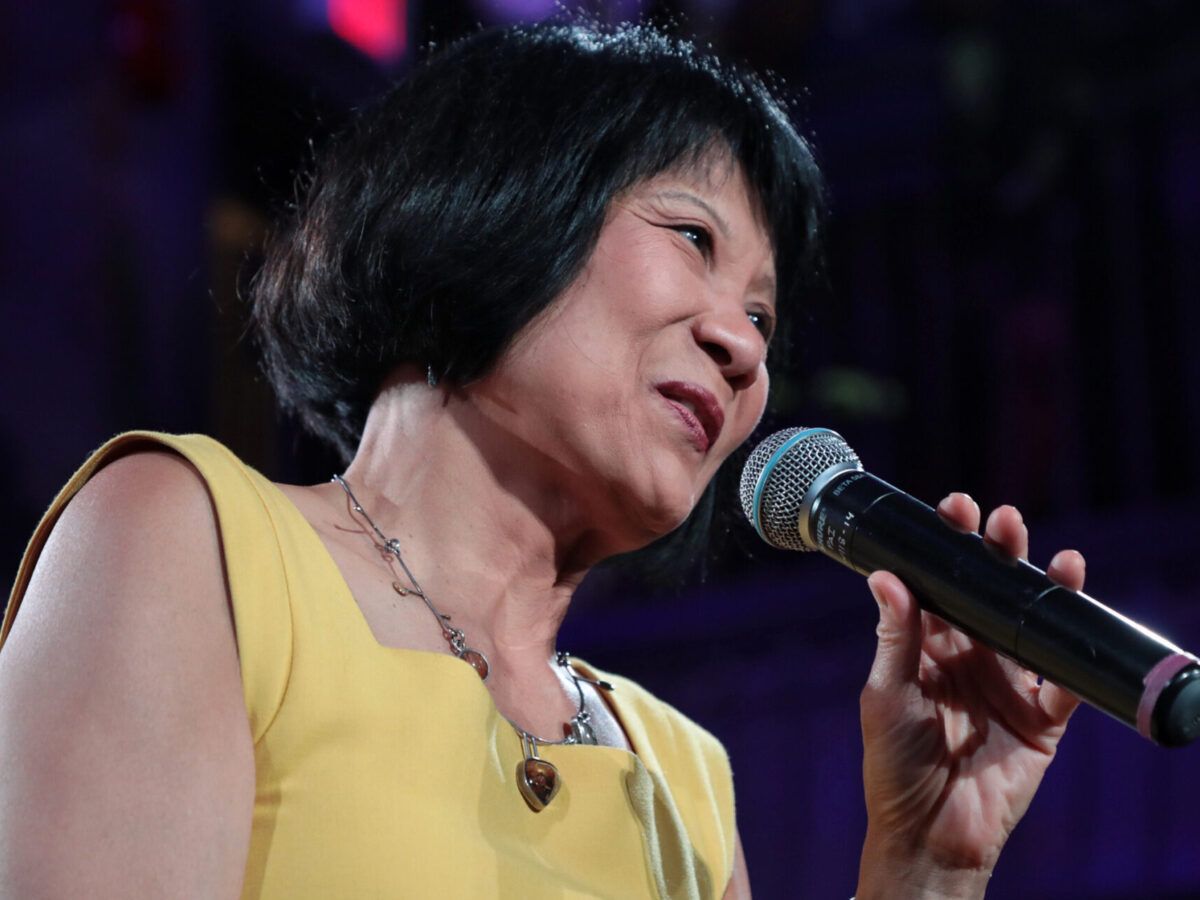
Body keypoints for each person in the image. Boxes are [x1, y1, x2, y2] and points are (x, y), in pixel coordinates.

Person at [0, 20, 1085, 899]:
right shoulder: (189, 544)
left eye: (762, 312)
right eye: (694, 240)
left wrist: (922, 872)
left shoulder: (684, 780)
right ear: (496, 207)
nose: (744, 344)